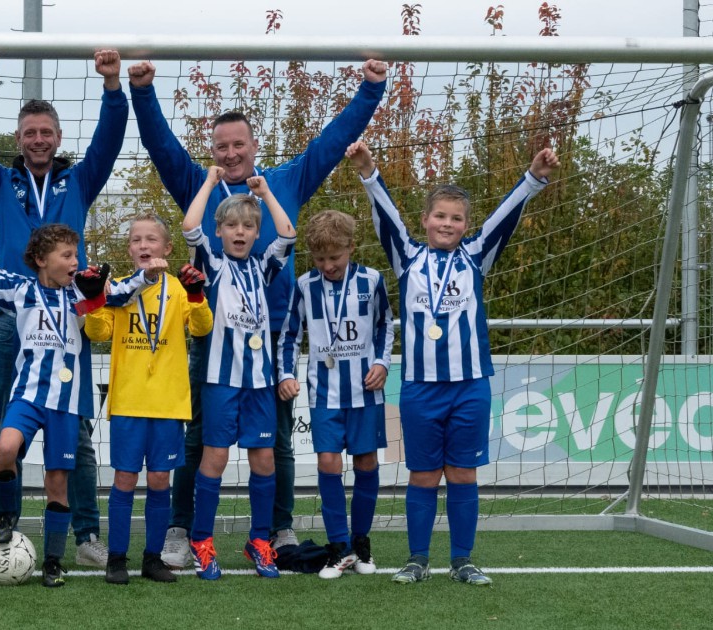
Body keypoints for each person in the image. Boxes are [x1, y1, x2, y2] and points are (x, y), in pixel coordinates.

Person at [126, 58, 388, 567]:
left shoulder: (283, 181)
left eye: (238, 145)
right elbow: (161, 146)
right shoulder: (199, 185)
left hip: (275, 338)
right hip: (212, 334)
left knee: (277, 442)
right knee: (201, 435)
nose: (230, 153)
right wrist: (142, 92)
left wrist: (371, 90)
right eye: (221, 147)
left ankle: (277, 528)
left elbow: (331, 142)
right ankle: (184, 529)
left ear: (253, 146)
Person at [346, 140, 559, 585]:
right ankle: (417, 559)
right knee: (423, 474)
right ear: (425, 220)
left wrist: (533, 178)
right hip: (421, 386)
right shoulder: (407, 256)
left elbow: (506, 218)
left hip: (470, 385)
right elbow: (386, 215)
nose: (447, 223)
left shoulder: (476, 255)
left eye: (456, 218)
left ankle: (462, 559)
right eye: (439, 216)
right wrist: (368, 172)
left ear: (466, 225)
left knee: (462, 471)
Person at [0, 49, 127, 567]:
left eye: (45, 132)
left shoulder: (79, 180)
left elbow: (110, 140)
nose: (37, 140)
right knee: (9, 428)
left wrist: (113, 86)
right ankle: (4, 528)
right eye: (28, 132)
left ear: (56, 138)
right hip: (14, 323)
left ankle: (84, 535)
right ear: (19, 138)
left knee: (74, 431)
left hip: (71, 320)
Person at [0, 225, 108, 587]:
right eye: (67, 255)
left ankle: (54, 560)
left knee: (57, 482)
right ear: (42, 260)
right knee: (5, 450)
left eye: (76, 254)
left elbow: (118, 301)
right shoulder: (21, 289)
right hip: (27, 395)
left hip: (67, 403)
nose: (75, 262)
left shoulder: (83, 292)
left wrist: (98, 298)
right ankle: (7, 514)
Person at [83, 213, 213, 584]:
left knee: (159, 480)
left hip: (169, 403)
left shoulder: (178, 288)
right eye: (136, 240)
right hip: (128, 401)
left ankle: (152, 558)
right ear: (129, 249)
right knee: (124, 479)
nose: (143, 245)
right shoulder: (120, 288)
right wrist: (94, 300)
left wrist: (197, 295)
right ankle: (117, 559)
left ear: (167, 248)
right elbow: (99, 332)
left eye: (151, 239)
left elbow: (203, 327)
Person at [181, 167, 297, 580]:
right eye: (231, 225)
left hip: (261, 384)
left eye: (248, 226)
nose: (240, 232)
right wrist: (211, 183)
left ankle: (259, 540)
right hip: (220, 381)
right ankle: (201, 540)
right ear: (221, 231)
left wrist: (264, 192)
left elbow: (287, 234)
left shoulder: (263, 266)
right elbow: (189, 225)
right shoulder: (211, 264)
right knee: (214, 457)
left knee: (264, 460)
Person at [276, 210, 394, 579]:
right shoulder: (305, 285)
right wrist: (286, 374)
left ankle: (361, 541)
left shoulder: (372, 280)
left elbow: (385, 326)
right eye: (321, 258)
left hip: (366, 391)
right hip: (324, 391)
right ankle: (339, 545)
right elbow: (290, 336)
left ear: (350, 248)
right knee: (328, 463)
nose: (328, 265)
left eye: (335, 257)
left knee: (366, 464)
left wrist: (382, 363)